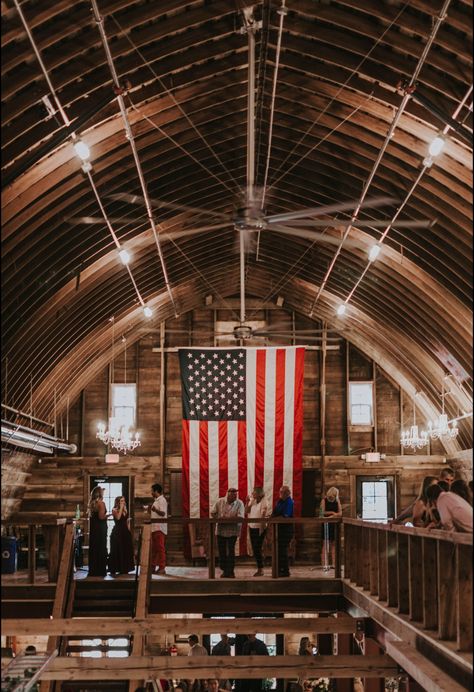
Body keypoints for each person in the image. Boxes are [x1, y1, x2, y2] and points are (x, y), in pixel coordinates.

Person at [211, 488, 245, 578]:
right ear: (228, 494)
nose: (235, 496)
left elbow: (241, 517)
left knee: (231, 551)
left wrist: (225, 519)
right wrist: (219, 518)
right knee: (221, 551)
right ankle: (224, 570)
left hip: (233, 531)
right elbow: (212, 512)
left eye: (236, 495)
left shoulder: (239, 503)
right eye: (233, 495)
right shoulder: (220, 501)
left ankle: (230, 571)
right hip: (221, 530)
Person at [245, 487, 271, 576]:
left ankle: (261, 569)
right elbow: (246, 511)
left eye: (254, 492)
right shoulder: (252, 501)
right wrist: (247, 502)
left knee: (257, 548)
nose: (252, 493)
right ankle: (260, 566)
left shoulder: (264, 502)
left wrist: (263, 528)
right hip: (252, 527)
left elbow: (263, 514)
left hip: (260, 527)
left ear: (260, 493)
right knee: (255, 548)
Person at [108, 495, 135, 575]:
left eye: (124, 501)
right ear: (118, 502)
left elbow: (126, 521)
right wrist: (121, 508)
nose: (123, 502)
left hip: (125, 532)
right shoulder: (114, 510)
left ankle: (124, 568)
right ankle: (115, 568)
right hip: (117, 532)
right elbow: (118, 518)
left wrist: (129, 530)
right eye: (121, 501)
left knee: (125, 550)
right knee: (117, 549)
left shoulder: (125, 510)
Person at [271, 485, 294, 577]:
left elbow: (286, 516)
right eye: (280, 492)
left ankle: (285, 570)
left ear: (288, 493)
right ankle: (279, 569)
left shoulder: (289, 502)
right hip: (278, 529)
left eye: (283, 492)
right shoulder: (279, 501)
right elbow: (274, 512)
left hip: (286, 529)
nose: (281, 494)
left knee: (282, 550)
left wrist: (274, 519)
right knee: (278, 550)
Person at [145, 483, 168, 574]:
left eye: (152, 491)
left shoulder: (162, 500)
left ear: (156, 491)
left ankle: (162, 567)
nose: (151, 493)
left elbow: (163, 513)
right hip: (154, 527)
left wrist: (154, 510)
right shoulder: (156, 501)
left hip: (159, 528)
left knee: (160, 549)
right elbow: (156, 513)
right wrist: (150, 510)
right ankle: (153, 567)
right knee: (154, 549)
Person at [319, 487, 342, 570]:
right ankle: (324, 564)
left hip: (334, 524)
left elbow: (340, 513)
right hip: (326, 524)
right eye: (333, 495)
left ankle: (334, 564)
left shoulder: (337, 501)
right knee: (325, 544)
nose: (333, 497)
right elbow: (322, 513)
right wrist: (332, 513)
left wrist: (334, 515)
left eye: (335, 495)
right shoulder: (324, 500)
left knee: (334, 545)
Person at [87, 485, 108, 577]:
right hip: (100, 528)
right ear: (100, 493)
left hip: (93, 528)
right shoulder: (101, 503)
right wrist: (110, 514)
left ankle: (93, 570)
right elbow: (101, 517)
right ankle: (100, 570)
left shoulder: (91, 503)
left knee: (94, 547)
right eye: (102, 492)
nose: (103, 493)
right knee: (101, 547)